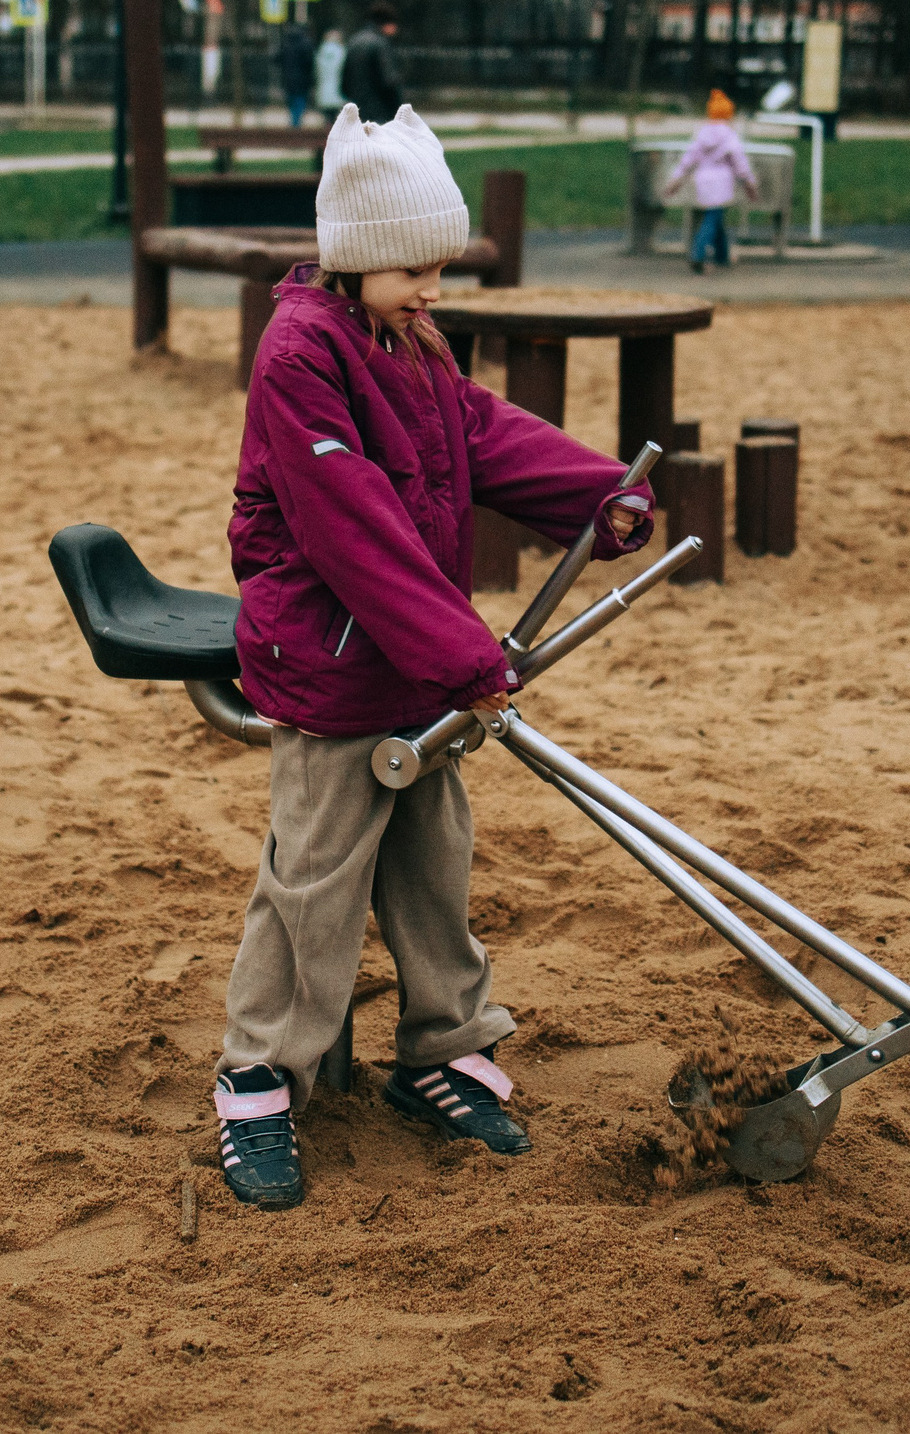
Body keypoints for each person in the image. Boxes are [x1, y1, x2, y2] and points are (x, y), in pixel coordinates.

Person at [211, 101, 657, 1212]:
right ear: (357, 254)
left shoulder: (408, 340)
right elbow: (350, 524)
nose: (436, 288)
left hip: (412, 662)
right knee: (312, 879)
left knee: (431, 864)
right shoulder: (298, 357)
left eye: (441, 266)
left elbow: (479, 431)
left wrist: (595, 492)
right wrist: (466, 650)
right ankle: (260, 1074)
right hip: (331, 660)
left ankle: (441, 1048)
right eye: (416, 267)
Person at [662, 88, 760, 273]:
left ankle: (722, 256)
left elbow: (689, 158)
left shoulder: (702, 134)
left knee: (716, 217)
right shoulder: (730, 137)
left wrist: (676, 179)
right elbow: (740, 163)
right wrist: (749, 183)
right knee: (712, 219)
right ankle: (698, 254)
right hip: (722, 182)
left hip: (703, 181)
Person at [339, 1, 406, 126]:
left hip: (357, 110)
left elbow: (345, 82)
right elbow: (389, 81)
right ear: (388, 23)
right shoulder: (381, 44)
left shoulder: (354, 41)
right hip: (380, 112)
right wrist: (398, 108)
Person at [275, 21, 316, 127]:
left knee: (291, 101)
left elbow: (277, 59)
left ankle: (294, 122)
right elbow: (309, 62)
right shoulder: (306, 43)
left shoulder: (286, 43)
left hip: (287, 78)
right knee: (300, 101)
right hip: (302, 79)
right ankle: (296, 124)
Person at [314, 28, 347, 113]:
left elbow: (317, 68)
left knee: (327, 113)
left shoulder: (322, 50)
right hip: (339, 86)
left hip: (324, 86)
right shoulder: (341, 50)